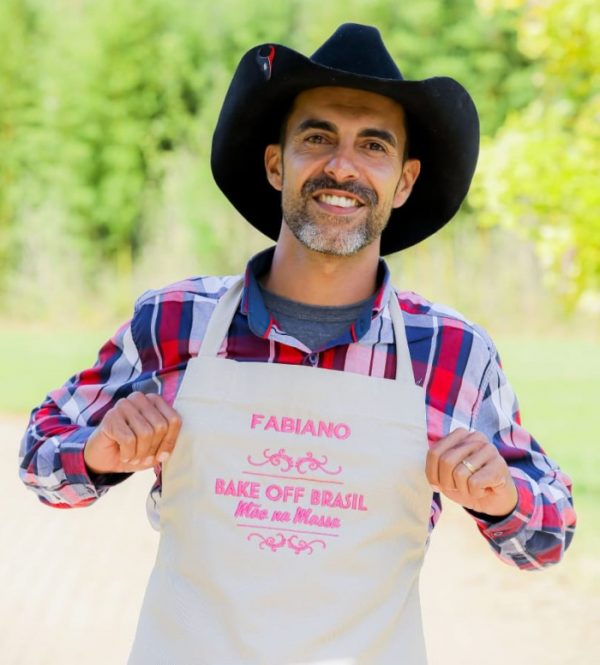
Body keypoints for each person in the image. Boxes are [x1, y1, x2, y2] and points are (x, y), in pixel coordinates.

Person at [20, 23, 575, 664]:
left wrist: (501, 495)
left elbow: (548, 537)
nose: (342, 165)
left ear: (404, 181)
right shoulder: (177, 321)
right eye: (317, 138)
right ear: (276, 164)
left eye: (374, 145)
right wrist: (98, 451)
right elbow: (40, 458)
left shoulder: (451, 352)